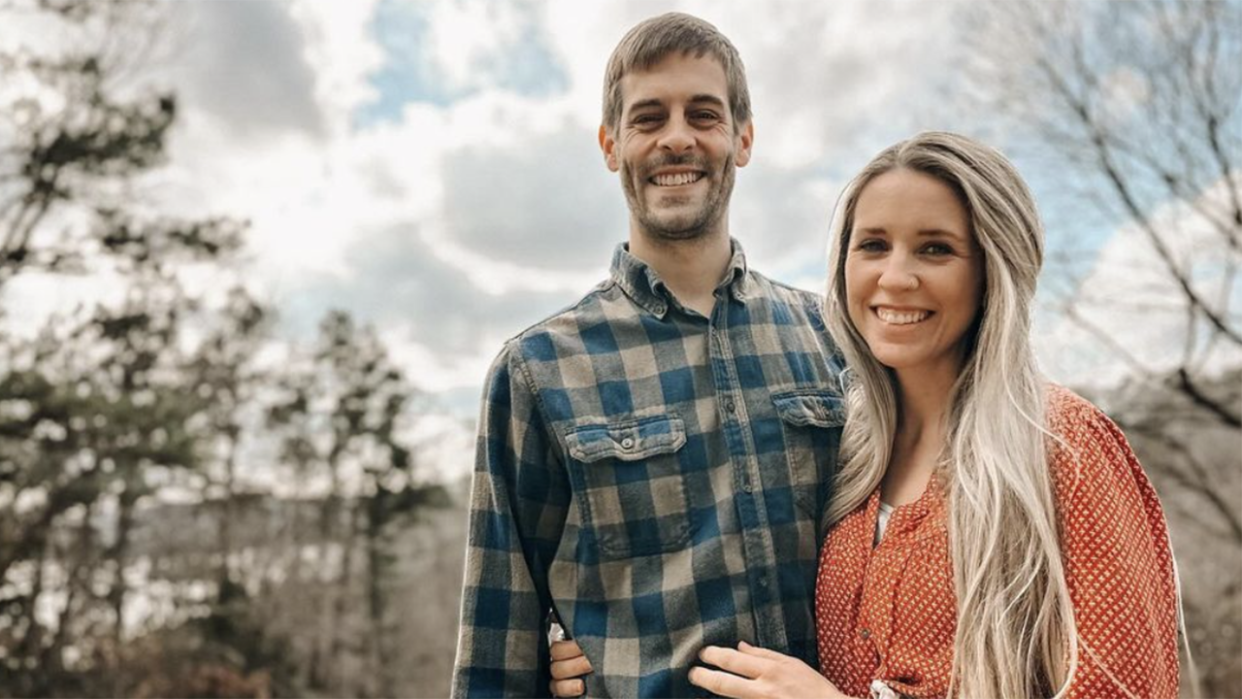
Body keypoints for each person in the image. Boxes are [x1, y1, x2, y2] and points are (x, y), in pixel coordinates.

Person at [551, 132, 1181, 697]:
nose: (895, 277)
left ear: (994, 269)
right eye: (873, 245)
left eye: (936, 249)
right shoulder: (843, 451)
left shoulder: (1064, 447)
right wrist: (594, 652)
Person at [450, 13, 846, 698]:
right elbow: (496, 642)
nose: (676, 138)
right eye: (648, 118)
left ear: (743, 138)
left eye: (703, 114)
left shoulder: (833, 339)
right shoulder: (539, 370)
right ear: (611, 145)